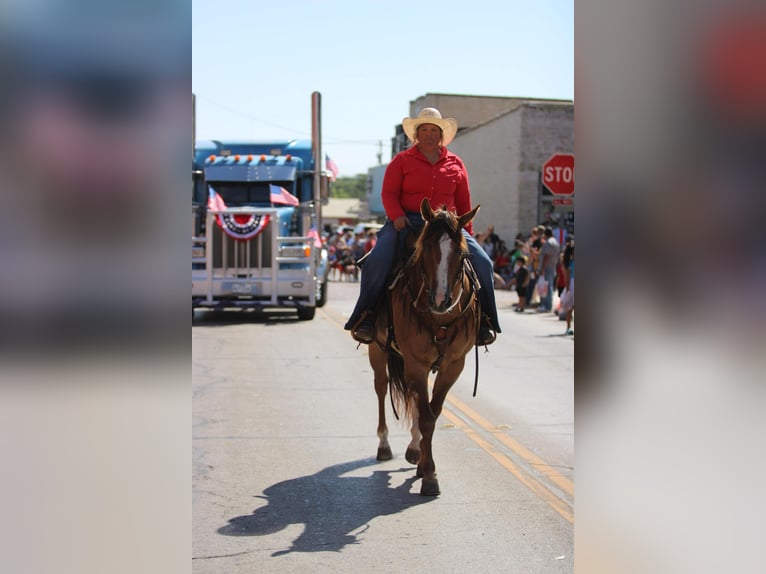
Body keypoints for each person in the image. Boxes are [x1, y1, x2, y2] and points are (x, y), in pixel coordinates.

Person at [344, 107, 501, 346]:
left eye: (433, 130)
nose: (428, 134)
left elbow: (463, 203)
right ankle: (366, 316)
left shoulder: (456, 164)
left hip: (447, 227)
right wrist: (396, 216)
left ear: (441, 135)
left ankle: (485, 321)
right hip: (407, 221)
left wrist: (465, 234)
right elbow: (388, 193)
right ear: (416, 134)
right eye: (424, 130)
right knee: (378, 260)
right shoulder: (402, 161)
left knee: (483, 263)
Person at [537, 226, 561, 312]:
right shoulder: (556, 242)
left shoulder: (548, 243)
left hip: (547, 267)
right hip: (553, 266)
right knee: (549, 285)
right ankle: (548, 305)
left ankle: (546, 305)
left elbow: (546, 256)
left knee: (546, 286)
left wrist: (542, 268)